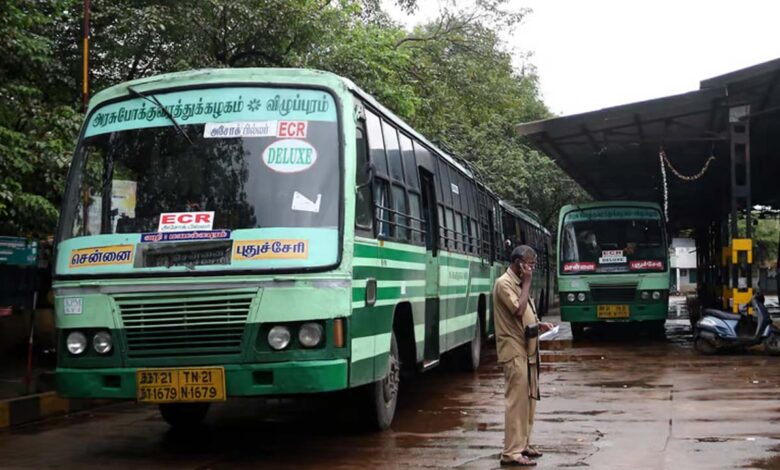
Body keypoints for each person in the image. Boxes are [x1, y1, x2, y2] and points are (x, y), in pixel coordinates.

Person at [493, 245, 553, 467]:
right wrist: (527, 283)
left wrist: (539, 325)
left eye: (533, 264)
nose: (531, 268)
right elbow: (517, 310)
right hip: (513, 349)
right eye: (529, 264)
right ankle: (511, 452)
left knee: (529, 399)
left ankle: (523, 444)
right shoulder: (504, 284)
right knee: (516, 401)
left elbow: (525, 315)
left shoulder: (519, 283)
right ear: (518, 263)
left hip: (527, 346)